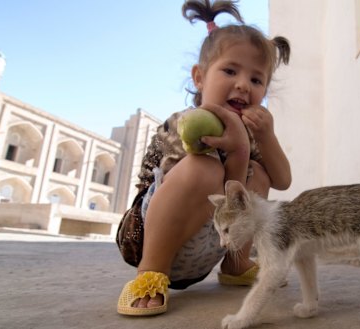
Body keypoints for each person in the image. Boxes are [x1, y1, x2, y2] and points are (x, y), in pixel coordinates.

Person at [117, 0, 291, 316]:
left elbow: (282, 181)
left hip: (210, 247)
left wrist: (266, 137)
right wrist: (237, 149)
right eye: (230, 70)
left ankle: (237, 264)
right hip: (155, 237)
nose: (243, 85)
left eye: (256, 80)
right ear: (199, 78)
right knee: (204, 168)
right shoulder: (186, 122)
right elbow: (197, 186)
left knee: (260, 173)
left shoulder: (251, 133)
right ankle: (149, 275)